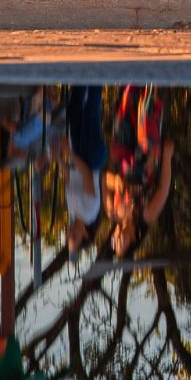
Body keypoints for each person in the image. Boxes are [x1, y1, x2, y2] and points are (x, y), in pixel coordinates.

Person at [105, 85, 174, 258]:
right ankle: (153, 75)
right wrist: (166, 157)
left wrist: (114, 181)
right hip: (146, 160)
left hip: (121, 154)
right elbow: (163, 188)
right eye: (122, 243)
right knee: (147, 109)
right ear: (134, 238)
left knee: (128, 101)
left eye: (115, 242)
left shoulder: (111, 211)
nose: (118, 238)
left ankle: (133, 71)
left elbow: (102, 178)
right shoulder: (146, 215)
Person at [61, 83, 106, 255]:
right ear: (85, 235)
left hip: (77, 159)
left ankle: (80, 75)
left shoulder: (73, 212)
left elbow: (69, 179)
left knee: (74, 111)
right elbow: (86, 174)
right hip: (91, 158)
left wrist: (59, 157)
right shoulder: (89, 212)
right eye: (73, 237)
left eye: (68, 237)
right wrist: (69, 154)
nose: (68, 234)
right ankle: (97, 73)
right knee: (89, 113)